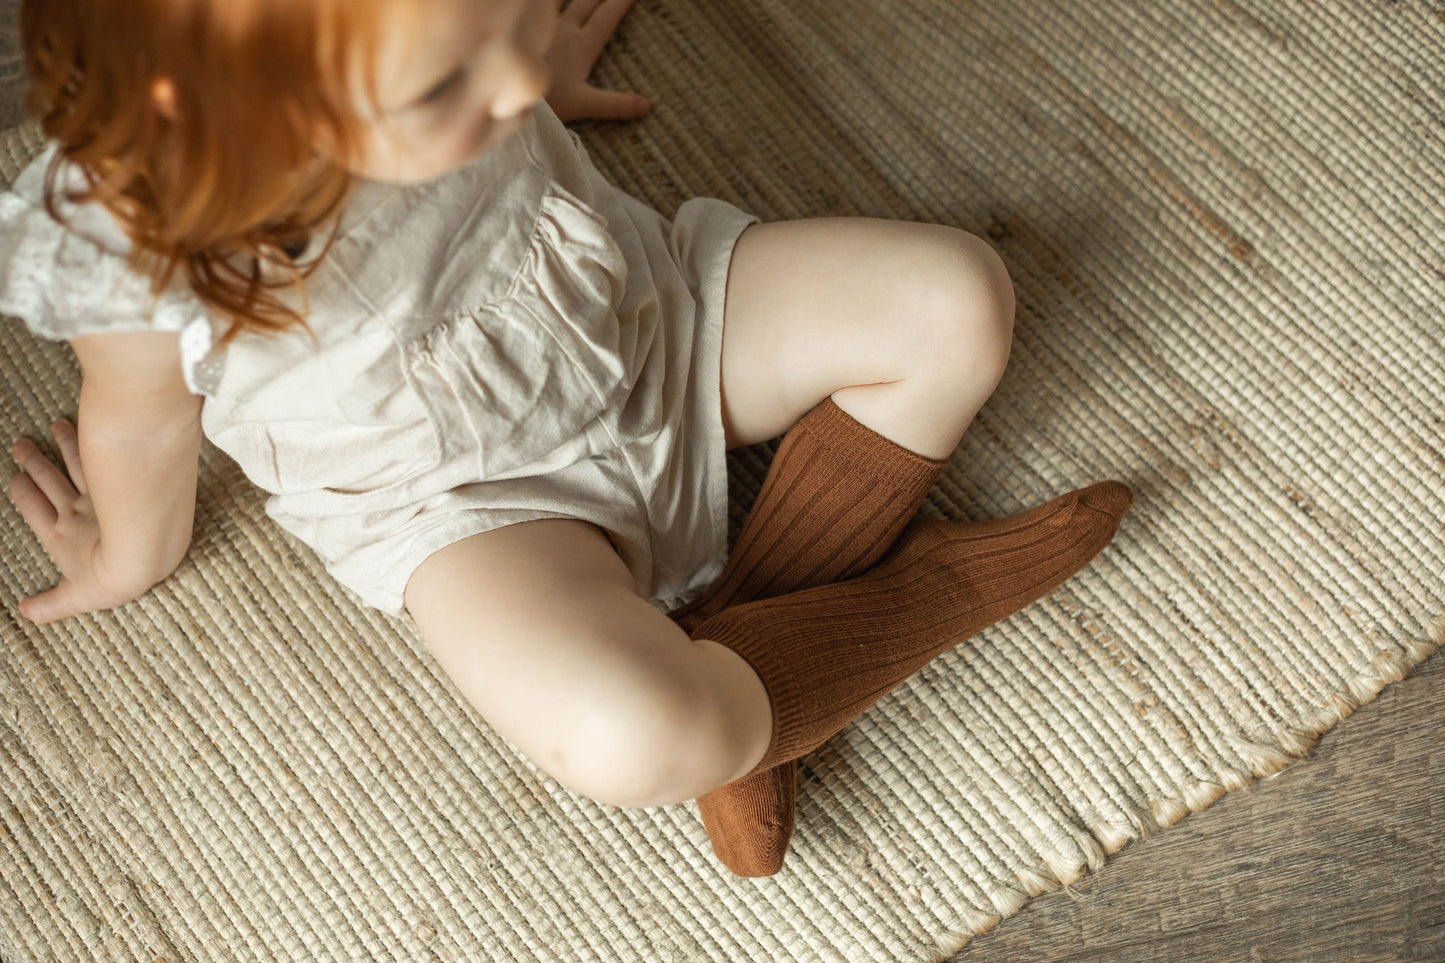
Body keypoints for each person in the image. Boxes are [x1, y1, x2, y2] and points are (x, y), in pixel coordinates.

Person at [2, 0, 1132, 877]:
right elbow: (142, 424)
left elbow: (497, 62)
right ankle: (907, 605)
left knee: (954, 300)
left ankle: (761, 651)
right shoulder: (145, 242)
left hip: (643, 319)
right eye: (449, 79)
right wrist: (125, 555)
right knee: (628, 737)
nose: (508, 78)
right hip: (468, 505)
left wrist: (524, 68)